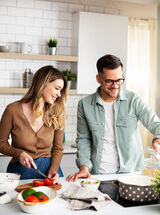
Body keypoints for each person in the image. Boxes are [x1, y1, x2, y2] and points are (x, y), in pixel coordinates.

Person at [67, 54, 160, 182]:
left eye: (119, 80)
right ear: (98, 79)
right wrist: (84, 168)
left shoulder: (133, 100)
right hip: (98, 174)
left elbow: (154, 122)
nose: (115, 85)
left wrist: (158, 136)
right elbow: (83, 139)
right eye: (109, 81)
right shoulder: (85, 105)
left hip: (131, 174)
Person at [0, 65, 67, 182]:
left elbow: (58, 148)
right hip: (20, 171)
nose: (59, 94)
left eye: (61, 90)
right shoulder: (12, 110)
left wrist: (54, 170)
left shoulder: (57, 113)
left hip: (49, 172)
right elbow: (1, 143)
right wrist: (19, 153)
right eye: (57, 88)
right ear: (43, 84)